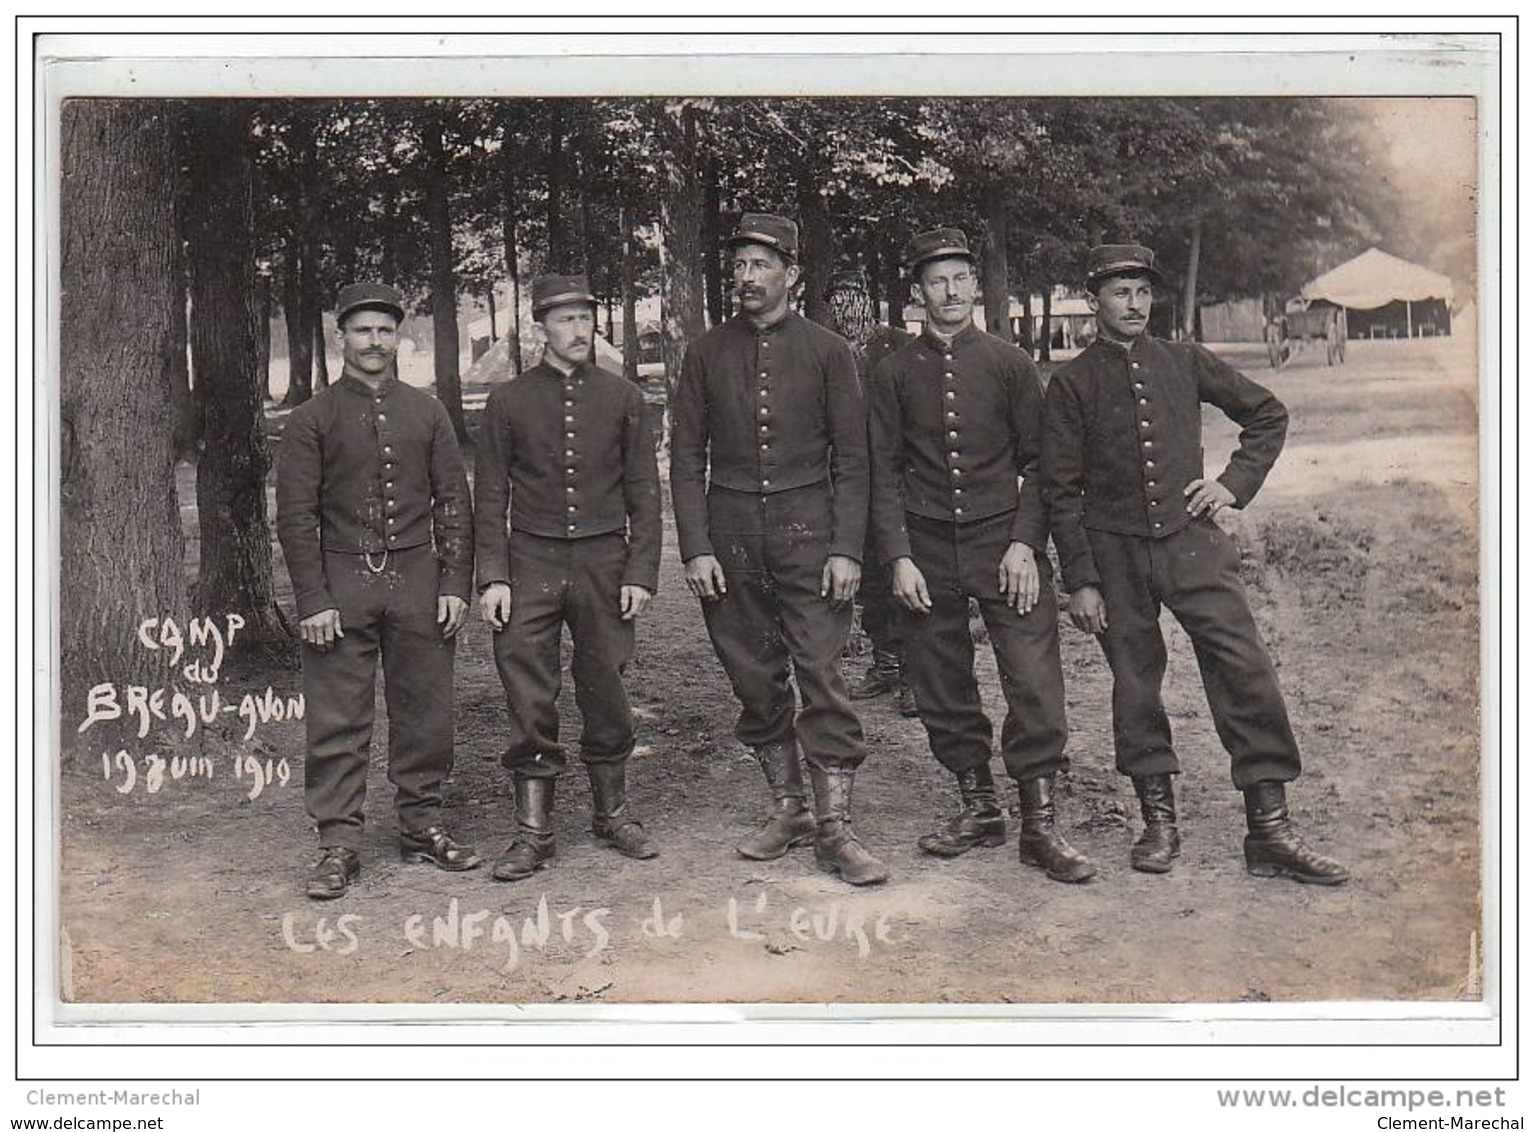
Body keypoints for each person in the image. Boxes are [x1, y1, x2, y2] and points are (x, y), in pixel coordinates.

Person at [1041, 243, 1348, 885]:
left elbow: (1267, 413)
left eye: (1143, 291)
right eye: (1120, 291)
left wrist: (1231, 485)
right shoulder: (1071, 383)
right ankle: (1159, 822)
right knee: (1135, 681)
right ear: (1094, 298)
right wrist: (1082, 581)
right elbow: (1060, 489)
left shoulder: (1185, 360)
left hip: (1192, 541)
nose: (1134, 303)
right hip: (1114, 552)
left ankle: (1269, 829)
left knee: (1243, 666)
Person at [869, 228, 1096, 883]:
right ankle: (978, 807)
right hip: (927, 550)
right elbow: (881, 472)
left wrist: (1027, 543)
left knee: (1033, 680)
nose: (950, 291)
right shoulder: (893, 372)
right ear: (918, 292)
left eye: (960, 278)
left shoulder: (1009, 363)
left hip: (1006, 545)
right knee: (940, 682)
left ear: (974, 284)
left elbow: (1043, 465)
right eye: (935, 280)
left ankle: (1039, 823)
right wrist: (900, 557)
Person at [670, 213, 887, 886]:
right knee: (753, 677)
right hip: (730, 543)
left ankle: (835, 829)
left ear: (791, 275)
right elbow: (684, 458)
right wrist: (697, 547)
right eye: (738, 266)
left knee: (820, 674)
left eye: (761, 265)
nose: (746, 278)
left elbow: (855, 460)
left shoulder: (830, 353)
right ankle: (788, 808)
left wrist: (847, 549)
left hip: (811, 537)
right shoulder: (706, 352)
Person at [276, 282, 479, 900]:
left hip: (418, 583)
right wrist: (312, 599)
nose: (374, 342)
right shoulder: (312, 419)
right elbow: (294, 516)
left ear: (400, 337)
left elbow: (454, 504)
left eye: (384, 330)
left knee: (426, 712)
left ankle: (422, 826)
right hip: (341, 588)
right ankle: (338, 843)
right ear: (342, 338)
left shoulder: (428, 412)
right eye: (361, 330)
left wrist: (454, 583)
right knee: (339, 717)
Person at [473, 273, 663, 881]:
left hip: (605, 562)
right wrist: (494, 577)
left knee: (606, 683)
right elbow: (491, 495)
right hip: (530, 562)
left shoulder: (625, 397)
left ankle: (614, 812)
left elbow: (644, 493)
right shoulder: (508, 401)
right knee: (528, 689)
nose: (579, 331)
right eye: (565, 320)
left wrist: (640, 571)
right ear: (540, 328)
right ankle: (534, 832)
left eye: (586, 319)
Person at [824, 269, 917, 717]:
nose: (846, 306)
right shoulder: (825, 349)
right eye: (837, 298)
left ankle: (918, 673)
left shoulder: (898, 344)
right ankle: (887, 660)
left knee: (906, 570)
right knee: (871, 581)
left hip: (901, 478)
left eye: (854, 296)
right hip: (851, 479)